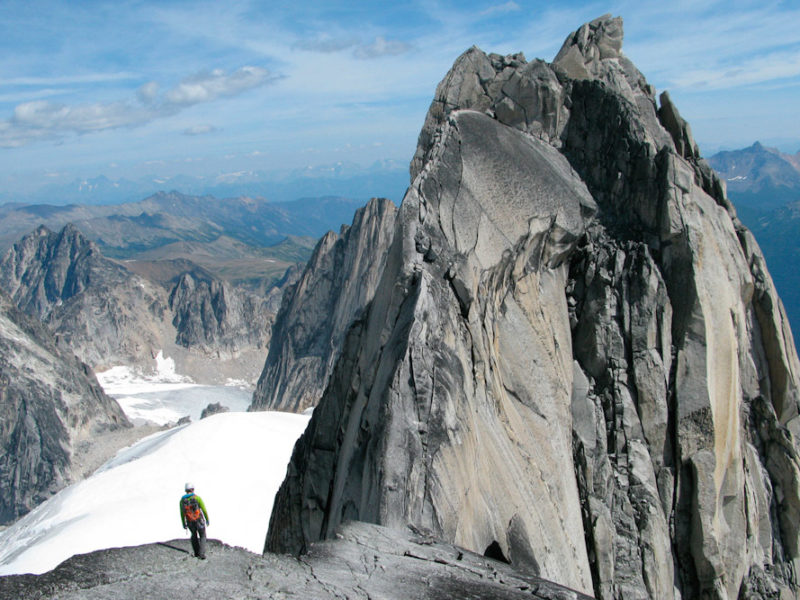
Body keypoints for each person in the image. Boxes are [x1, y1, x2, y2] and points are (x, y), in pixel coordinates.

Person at [179, 482, 210, 559]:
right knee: (202, 536)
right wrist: (207, 519)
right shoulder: (197, 498)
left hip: (190, 521)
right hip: (199, 520)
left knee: (194, 535)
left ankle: (196, 553)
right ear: (193, 489)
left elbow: (182, 513)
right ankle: (201, 554)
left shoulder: (182, 501)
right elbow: (204, 510)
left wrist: (184, 523)